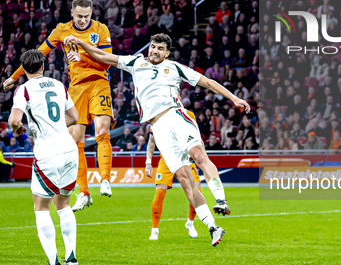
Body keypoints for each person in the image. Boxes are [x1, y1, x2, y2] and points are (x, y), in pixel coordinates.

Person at [64, 33, 251, 246]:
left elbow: (207, 82)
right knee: (184, 179)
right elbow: (103, 56)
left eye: (160, 49)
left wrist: (234, 98)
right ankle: (213, 227)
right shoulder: (136, 62)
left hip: (176, 116)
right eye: (153, 46)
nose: (155, 51)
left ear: (167, 53)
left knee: (198, 155)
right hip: (158, 129)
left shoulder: (175, 67)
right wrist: (81, 43)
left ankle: (220, 199)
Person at [4, 0, 115, 212]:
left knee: (102, 129)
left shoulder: (101, 29)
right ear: (72, 14)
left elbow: (107, 60)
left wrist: (81, 57)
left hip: (99, 83)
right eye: (80, 17)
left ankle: (105, 179)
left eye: (87, 17)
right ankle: (84, 192)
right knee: (76, 140)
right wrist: (14, 76)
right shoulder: (61, 31)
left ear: (92, 15)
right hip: (76, 88)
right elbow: (37, 55)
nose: (83, 21)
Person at [7, 50, 79, 265]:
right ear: (43, 66)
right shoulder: (59, 85)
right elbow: (74, 117)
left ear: (24, 68)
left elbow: (15, 119)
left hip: (47, 154)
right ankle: (72, 259)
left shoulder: (24, 89)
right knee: (64, 205)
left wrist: (16, 128)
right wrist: (55, 127)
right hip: (69, 150)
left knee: (41, 208)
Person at [145, 111, 203, 241]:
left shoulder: (189, 115)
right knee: (159, 192)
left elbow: (196, 138)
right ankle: (154, 230)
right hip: (166, 159)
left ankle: (190, 223)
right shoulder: (157, 116)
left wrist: (199, 157)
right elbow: (151, 141)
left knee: (197, 191)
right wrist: (148, 162)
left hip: (186, 158)